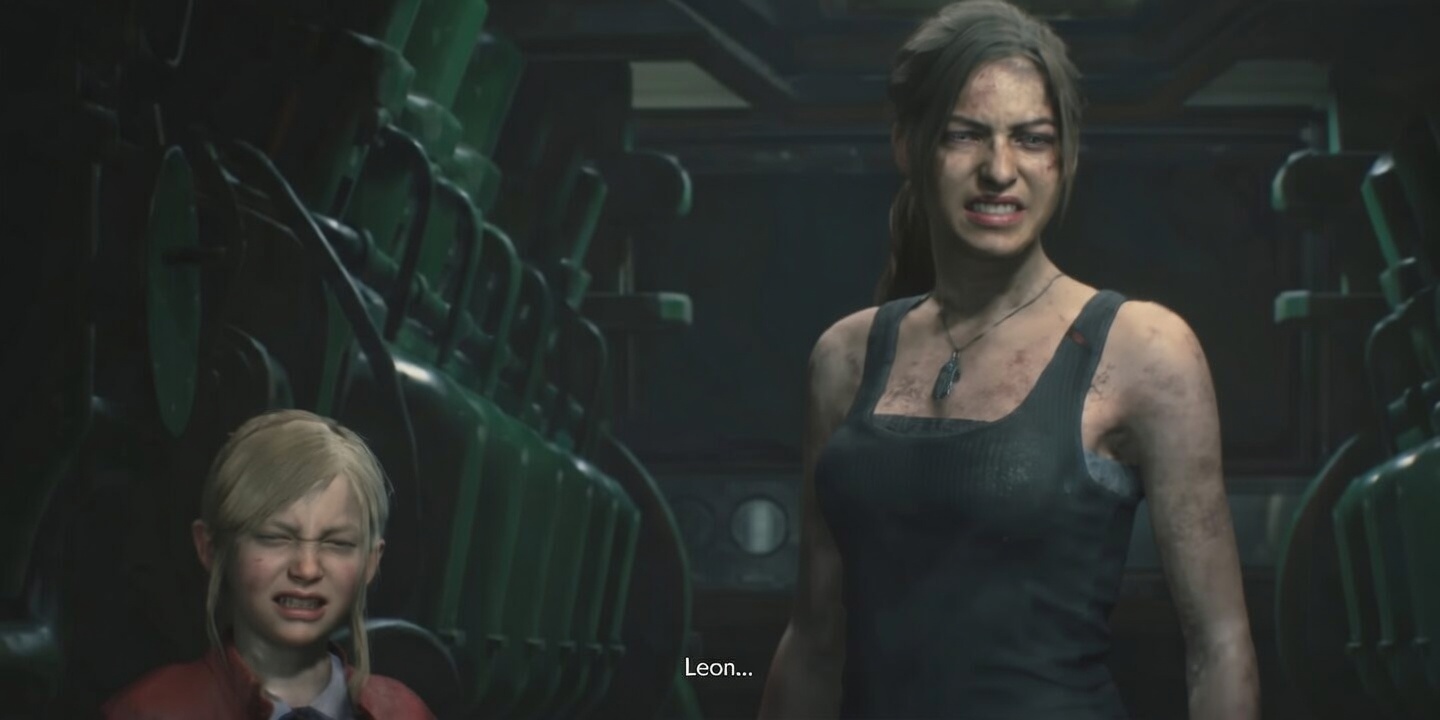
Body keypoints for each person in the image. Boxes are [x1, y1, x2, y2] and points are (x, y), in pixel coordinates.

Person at [757, 1, 1259, 718]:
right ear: (908, 145)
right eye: (965, 135)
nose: (999, 170)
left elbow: (1220, 648)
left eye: (1031, 139)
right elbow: (813, 643)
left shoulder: (1145, 350)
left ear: (1065, 157)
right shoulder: (844, 359)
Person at [104, 409, 433, 719]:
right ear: (211, 548)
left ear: (371, 561)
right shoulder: (150, 712)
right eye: (275, 537)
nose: (306, 569)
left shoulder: (403, 713)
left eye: (337, 543)